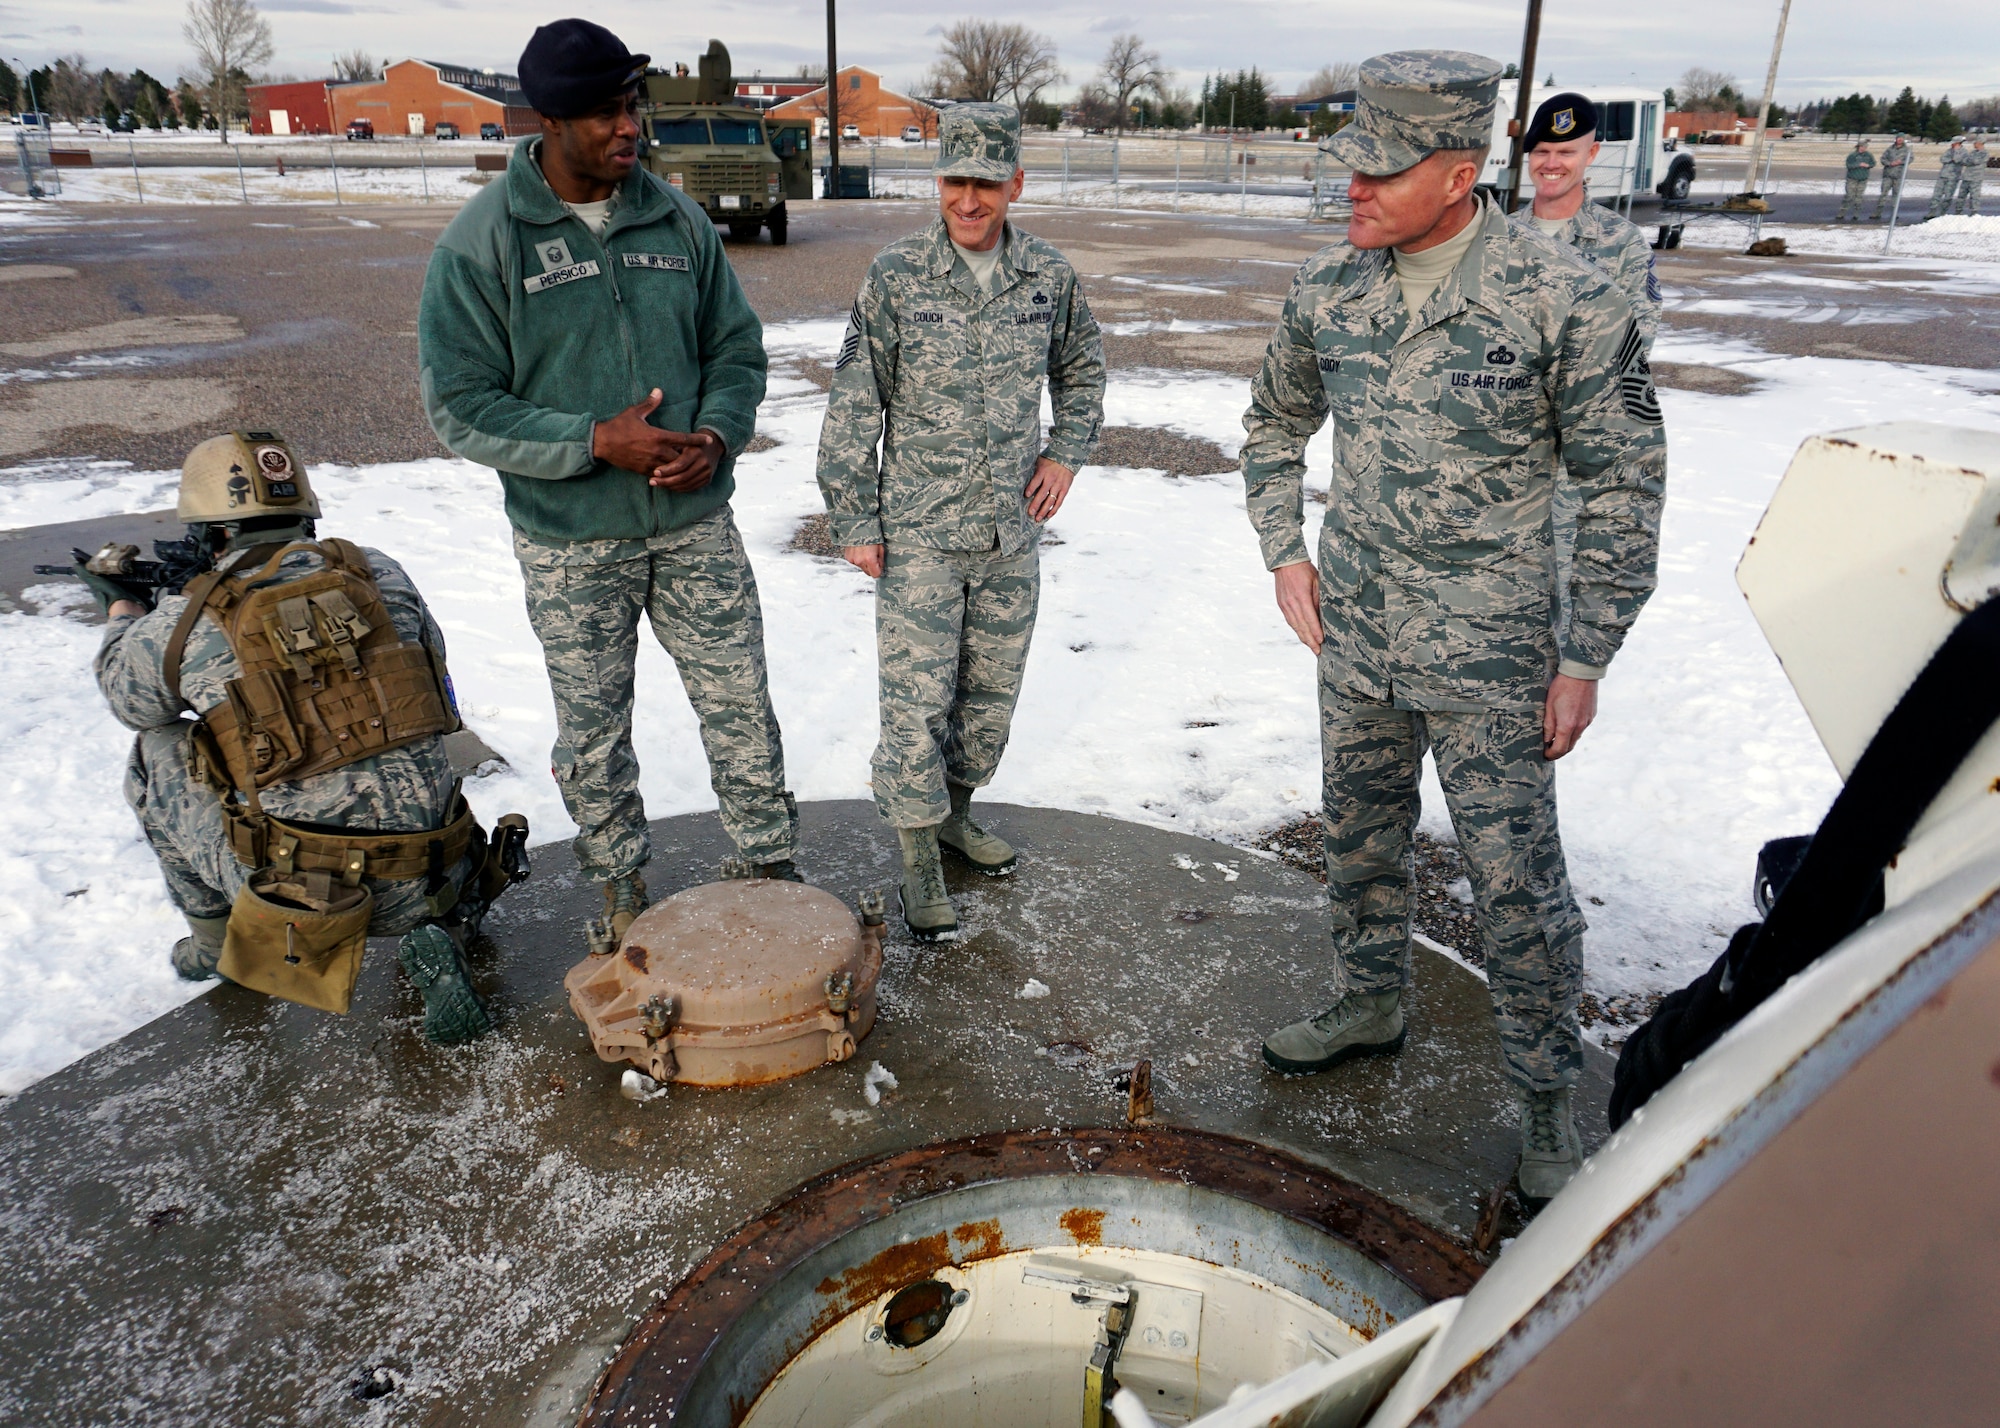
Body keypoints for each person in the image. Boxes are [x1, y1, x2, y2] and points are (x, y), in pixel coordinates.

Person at [1240, 50, 1667, 1201]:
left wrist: (1586, 654)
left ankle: (1541, 1101)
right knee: (1358, 840)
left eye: (1379, 173)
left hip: (1493, 655)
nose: (1352, 192)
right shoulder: (1330, 294)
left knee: (1514, 886)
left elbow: (1624, 480)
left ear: (1459, 171)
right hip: (1359, 639)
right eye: (1349, 168)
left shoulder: (1562, 295)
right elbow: (1270, 425)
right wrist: (1284, 551)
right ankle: (1370, 999)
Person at [418, 18, 799, 953]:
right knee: (593, 734)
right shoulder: (484, 243)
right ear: (546, 119)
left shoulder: (673, 219)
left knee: (741, 705)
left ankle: (771, 872)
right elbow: (462, 406)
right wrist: (595, 441)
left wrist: (715, 435)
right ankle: (621, 890)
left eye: (630, 106)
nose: (628, 128)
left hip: (694, 525)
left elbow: (736, 350)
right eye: (602, 114)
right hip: (571, 541)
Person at [89, 432, 517, 1045]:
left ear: (209, 533)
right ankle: (439, 930)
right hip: (439, 872)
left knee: (154, 754)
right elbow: (434, 667)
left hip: (308, 899)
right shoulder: (380, 572)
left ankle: (216, 943)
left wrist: (124, 613)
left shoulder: (184, 623)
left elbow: (131, 703)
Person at [815, 103, 1105, 942]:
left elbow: (1082, 370)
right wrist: (854, 515)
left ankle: (956, 814)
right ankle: (914, 850)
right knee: (916, 701)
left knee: (989, 696)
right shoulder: (897, 274)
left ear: (1016, 183)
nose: (968, 200)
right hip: (919, 535)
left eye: (985, 183)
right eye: (953, 181)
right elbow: (854, 400)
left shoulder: (1047, 275)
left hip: (1011, 534)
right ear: (936, 182)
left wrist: (1065, 453)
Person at [1508, 91, 1661, 348]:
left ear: (1591, 154)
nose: (1551, 163)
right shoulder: (1500, 236)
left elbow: (1638, 341)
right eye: (1541, 151)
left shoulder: (1624, 243)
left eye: (1566, 152)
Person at [1870, 134, 1911, 222]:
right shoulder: (1890, 149)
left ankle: (1894, 213)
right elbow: (1883, 159)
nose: (1899, 140)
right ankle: (1878, 212)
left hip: (1898, 176)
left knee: (1896, 195)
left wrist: (1901, 162)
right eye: (1898, 138)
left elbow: (1910, 159)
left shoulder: (1907, 150)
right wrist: (1889, 163)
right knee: (1883, 194)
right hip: (1888, 175)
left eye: (1901, 138)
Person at [1924, 137, 1965, 222]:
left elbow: (1957, 160)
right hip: (1943, 175)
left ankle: (1943, 213)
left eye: (1954, 143)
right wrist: (1951, 159)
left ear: (1958, 143)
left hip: (1953, 177)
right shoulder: (1949, 150)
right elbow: (1942, 159)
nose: (1952, 144)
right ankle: (1932, 211)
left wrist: (1955, 153)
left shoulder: (1963, 152)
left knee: (1948, 196)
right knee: (1936, 194)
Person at [1837, 138, 1873, 222]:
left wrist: (1868, 165)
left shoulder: (1868, 155)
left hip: (1863, 179)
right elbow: (1848, 165)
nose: (1863, 148)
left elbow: (1873, 163)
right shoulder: (1853, 155)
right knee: (1849, 196)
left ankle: (1856, 214)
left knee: (1859, 197)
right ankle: (1842, 212)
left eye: (1865, 147)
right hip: (1852, 178)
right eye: (1861, 146)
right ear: (1858, 147)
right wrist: (1858, 164)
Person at [1955, 137, 1987, 216]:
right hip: (1966, 177)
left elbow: (1975, 161)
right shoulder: (1973, 152)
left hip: (1976, 178)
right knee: (1961, 195)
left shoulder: (1984, 153)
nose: (1974, 144)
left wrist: (1969, 160)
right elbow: (1964, 161)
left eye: (1975, 143)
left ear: (1980, 143)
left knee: (1974, 196)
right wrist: (1969, 160)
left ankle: (1974, 212)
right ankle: (1958, 211)